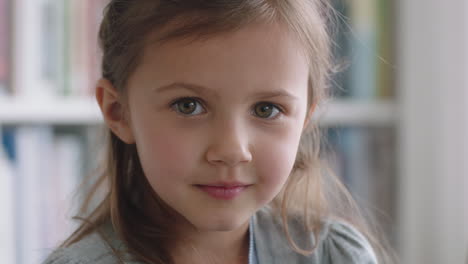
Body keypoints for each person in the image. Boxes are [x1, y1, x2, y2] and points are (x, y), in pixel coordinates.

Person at [44, 0, 392, 263]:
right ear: (119, 112)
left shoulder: (336, 256)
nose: (231, 149)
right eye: (188, 105)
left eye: (266, 109)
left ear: (305, 120)